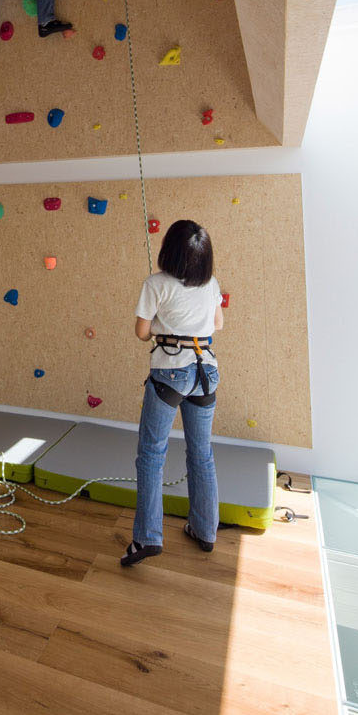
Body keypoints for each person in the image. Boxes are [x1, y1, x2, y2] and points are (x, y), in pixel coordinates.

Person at [121, 219, 224, 567]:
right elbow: (218, 325)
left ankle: (147, 537)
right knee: (202, 454)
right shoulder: (211, 284)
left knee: (151, 454)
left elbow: (141, 333)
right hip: (206, 371)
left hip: (170, 373)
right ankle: (205, 530)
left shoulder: (156, 284)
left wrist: (163, 324)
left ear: (170, 250)